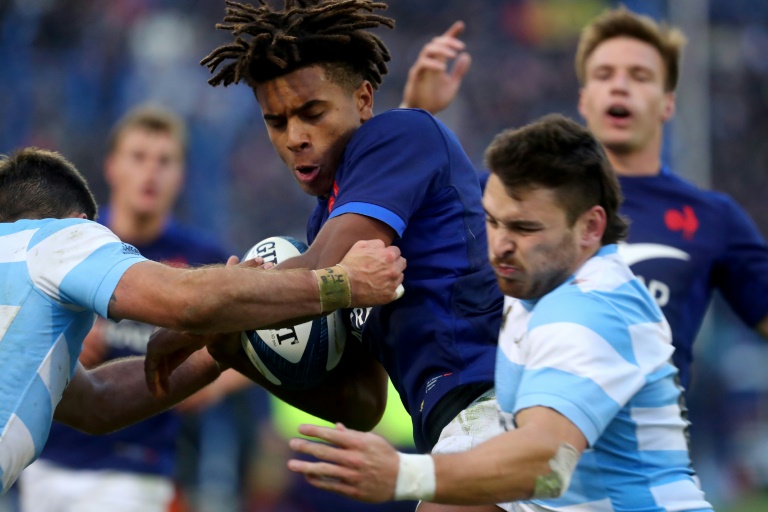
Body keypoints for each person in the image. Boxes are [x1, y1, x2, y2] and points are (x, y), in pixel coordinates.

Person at [287, 114, 714, 511]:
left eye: (525, 228)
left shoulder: (589, 309)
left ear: (589, 228)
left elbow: (545, 464)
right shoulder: (535, 299)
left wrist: (403, 472)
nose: (501, 244)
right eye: (493, 222)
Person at [178, 4, 504, 510]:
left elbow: (316, 269)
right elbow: (362, 403)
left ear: (364, 99)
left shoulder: (401, 133)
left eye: (312, 113)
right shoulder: (323, 224)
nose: (295, 138)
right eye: (276, 121)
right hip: (449, 426)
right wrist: (235, 351)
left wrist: (186, 318)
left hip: (496, 404)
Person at [0, 146, 405, 495]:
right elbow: (185, 302)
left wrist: (219, 347)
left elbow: (98, 401)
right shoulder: (61, 237)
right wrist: (341, 283)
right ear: (78, 223)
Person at [399, 8, 768, 390]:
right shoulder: (506, 193)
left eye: (639, 76)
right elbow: (413, 211)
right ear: (584, 99)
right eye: (604, 75)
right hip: (525, 430)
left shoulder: (712, 217)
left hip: (647, 442)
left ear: (668, 102)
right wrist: (416, 116)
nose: (619, 87)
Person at [19, 106, 246, 512]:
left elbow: (258, 334)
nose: (151, 173)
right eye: (138, 157)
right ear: (111, 167)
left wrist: (212, 375)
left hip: (137, 468)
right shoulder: (68, 241)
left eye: (165, 161)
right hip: (48, 459)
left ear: (181, 175)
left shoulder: (203, 261)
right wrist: (60, 330)